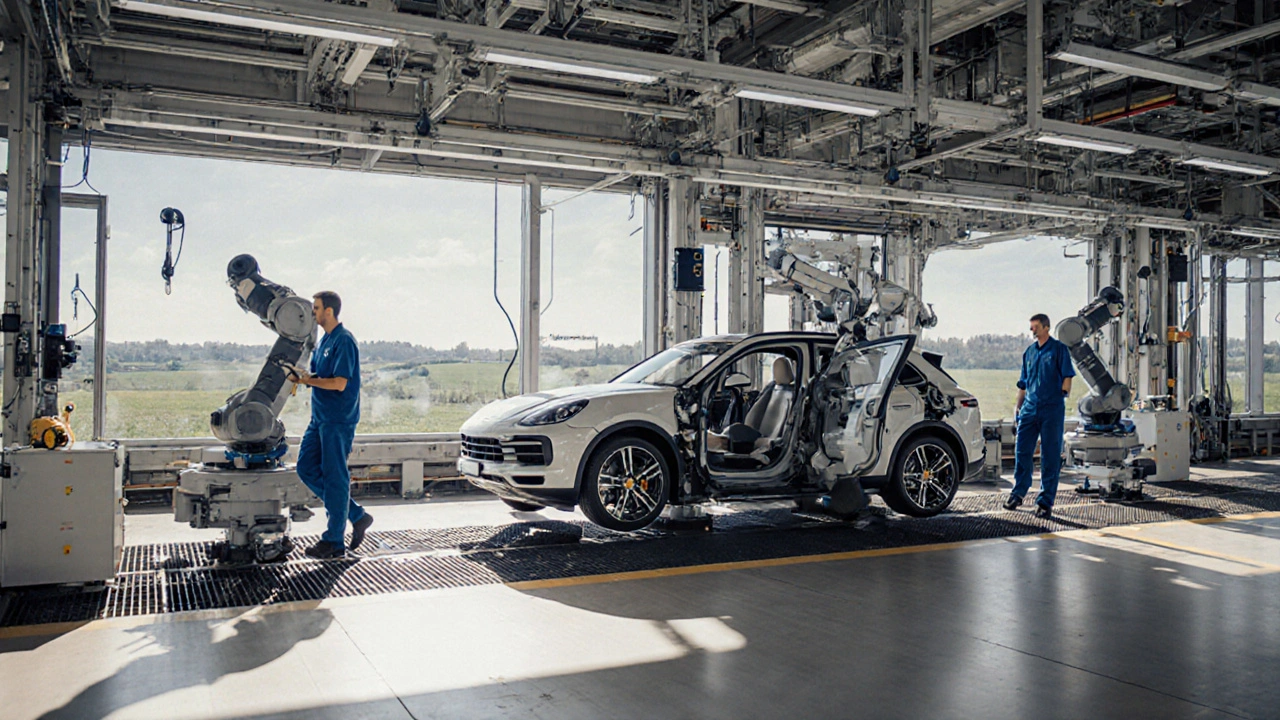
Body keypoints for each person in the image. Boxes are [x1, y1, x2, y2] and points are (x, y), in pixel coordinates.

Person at [290, 290, 373, 558]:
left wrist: (306, 381)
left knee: (335, 478)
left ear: (329, 311)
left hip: (338, 420)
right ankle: (356, 514)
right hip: (320, 418)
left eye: (316, 308)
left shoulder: (344, 341)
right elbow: (320, 376)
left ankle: (334, 542)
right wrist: (303, 376)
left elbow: (339, 383)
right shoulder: (324, 341)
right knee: (305, 467)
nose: (312, 313)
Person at [1004, 312, 1075, 519]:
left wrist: (1062, 395)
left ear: (1046, 327)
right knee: (1022, 452)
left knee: (1050, 455)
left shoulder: (1059, 350)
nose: (1031, 330)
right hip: (1029, 409)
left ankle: (1045, 502)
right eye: (1031, 326)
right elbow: (1023, 384)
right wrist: (1018, 409)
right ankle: (1018, 493)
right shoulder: (1029, 352)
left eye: (1035, 326)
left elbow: (1067, 377)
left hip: (1051, 408)